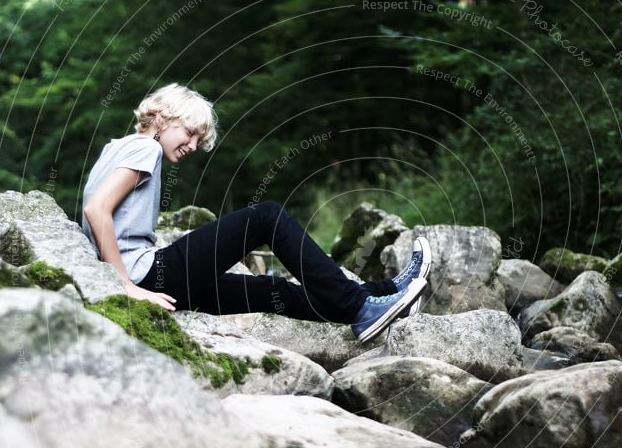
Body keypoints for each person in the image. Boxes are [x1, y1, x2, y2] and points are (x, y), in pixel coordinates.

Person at [82, 84, 431, 342]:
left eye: (197, 141)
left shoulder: (114, 148)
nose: (191, 146)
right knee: (265, 216)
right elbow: (97, 210)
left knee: (271, 291)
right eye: (189, 133)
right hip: (146, 276)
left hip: (155, 281)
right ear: (160, 117)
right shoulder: (146, 149)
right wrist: (125, 285)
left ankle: (378, 297)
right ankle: (362, 305)